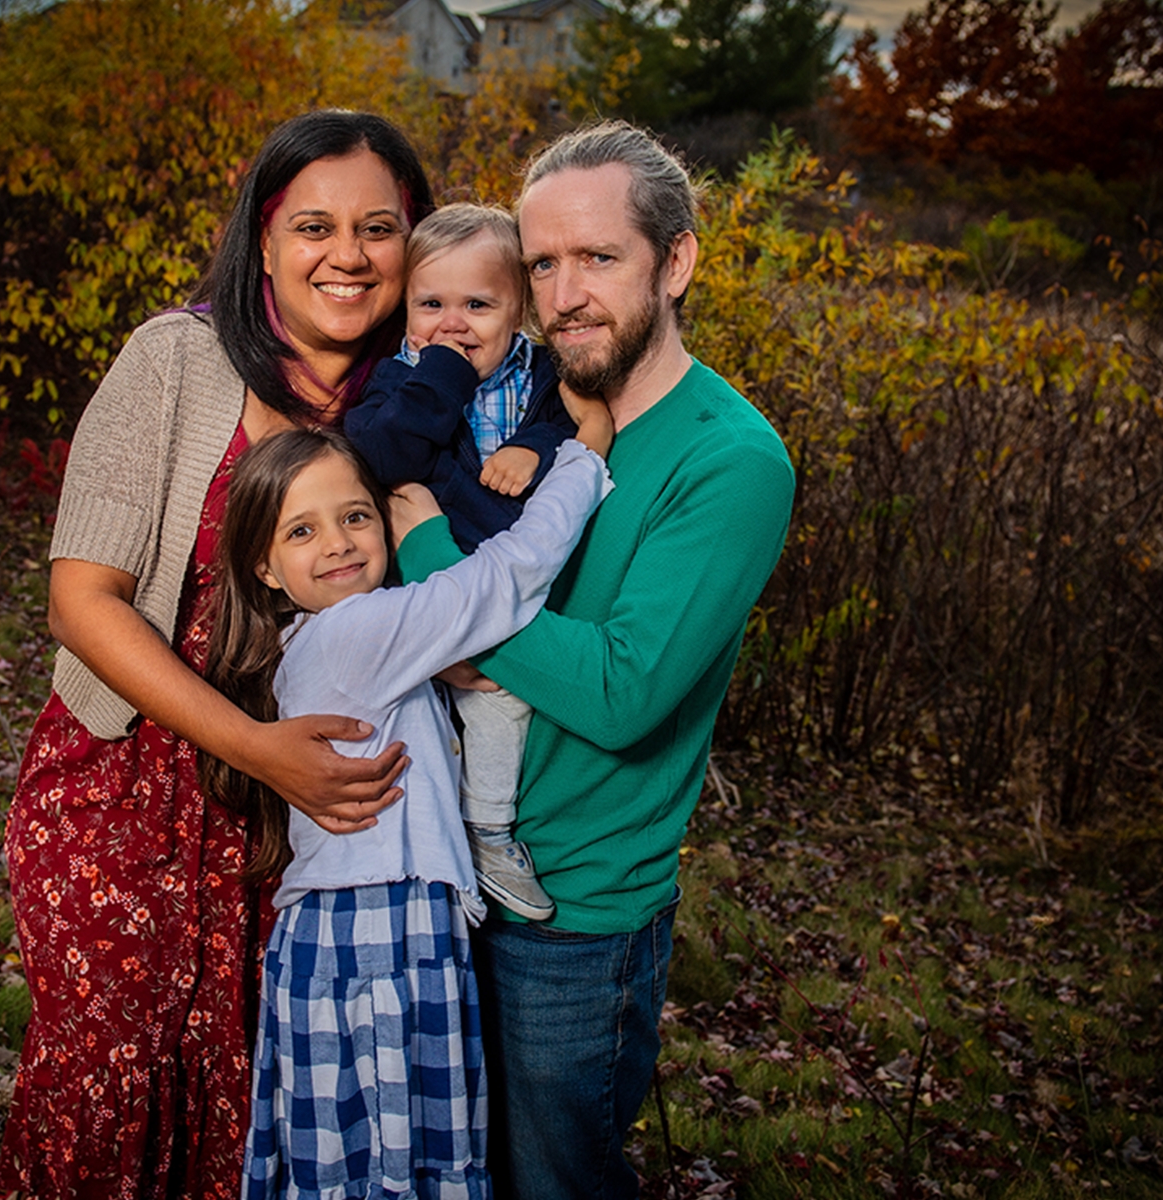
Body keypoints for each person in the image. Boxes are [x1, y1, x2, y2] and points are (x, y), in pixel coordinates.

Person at [0, 110, 435, 1200]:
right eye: (314, 227)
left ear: (415, 243)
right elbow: (80, 598)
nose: (348, 255)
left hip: (294, 828)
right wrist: (253, 745)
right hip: (124, 799)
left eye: (379, 228)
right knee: (104, 1098)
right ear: (265, 239)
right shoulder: (177, 360)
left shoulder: (419, 405)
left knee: (246, 1117)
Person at [394, 121, 797, 1199]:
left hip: (572, 920)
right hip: (437, 868)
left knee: (553, 1182)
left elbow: (620, 692)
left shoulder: (729, 459)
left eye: (600, 258)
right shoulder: (518, 409)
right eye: (543, 263)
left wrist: (433, 566)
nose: (566, 293)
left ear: (676, 262)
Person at [200, 419, 612, 1199]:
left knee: (358, 1165)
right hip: (377, 932)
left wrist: (444, 665)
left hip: (357, 931)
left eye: (356, 515)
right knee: (399, 1162)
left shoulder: (321, 638)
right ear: (266, 567)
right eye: (301, 530)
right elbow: (507, 575)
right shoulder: (356, 632)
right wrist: (582, 460)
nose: (339, 543)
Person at [345, 204, 576, 921]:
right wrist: (441, 371)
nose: (453, 322)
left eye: (478, 305)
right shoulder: (395, 382)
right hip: (422, 587)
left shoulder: (542, 372)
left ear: (519, 311)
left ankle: (490, 833)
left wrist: (533, 448)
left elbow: (574, 419)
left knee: (501, 706)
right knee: (420, 731)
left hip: (508, 586)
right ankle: (430, 859)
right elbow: (388, 455)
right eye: (432, 304)